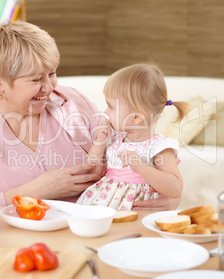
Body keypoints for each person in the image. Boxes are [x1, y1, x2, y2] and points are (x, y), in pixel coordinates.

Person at [0, 20, 181, 209]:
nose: (49, 87)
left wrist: (169, 199)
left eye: (52, 73)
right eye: (36, 79)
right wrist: (36, 191)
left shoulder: (74, 102)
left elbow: (138, 150)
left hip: (87, 235)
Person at [77, 63, 188, 210]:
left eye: (111, 106)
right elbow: (90, 166)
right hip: (103, 207)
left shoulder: (159, 147)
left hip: (135, 210)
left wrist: (142, 167)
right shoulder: (115, 137)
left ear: (136, 118)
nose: (105, 111)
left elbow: (175, 188)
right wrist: (100, 141)